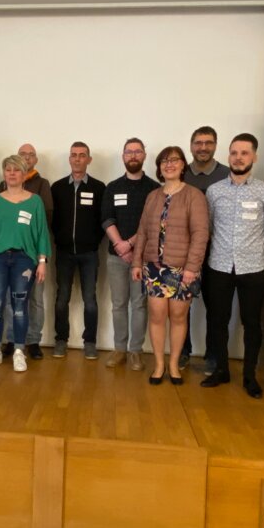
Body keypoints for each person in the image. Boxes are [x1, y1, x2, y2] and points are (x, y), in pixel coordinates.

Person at [201, 133, 264, 398]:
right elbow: (209, 227)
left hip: (253, 267)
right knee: (217, 320)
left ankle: (249, 376)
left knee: (252, 323)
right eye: (234, 153)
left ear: (254, 156)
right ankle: (221, 370)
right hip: (219, 265)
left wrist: (249, 249)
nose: (239, 158)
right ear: (228, 156)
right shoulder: (214, 191)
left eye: (244, 153)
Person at [131, 146, 209, 384]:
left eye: (174, 160)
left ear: (183, 164)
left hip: (182, 269)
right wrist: (136, 262)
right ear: (159, 167)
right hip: (154, 267)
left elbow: (200, 234)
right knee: (156, 315)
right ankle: (159, 365)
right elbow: (142, 232)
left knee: (178, 316)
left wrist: (192, 268)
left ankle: (174, 364)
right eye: (164, 161)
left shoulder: (194, 195)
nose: (169, 164)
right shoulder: (153, 196)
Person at [0, 155, 51, 372]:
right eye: (8, 169)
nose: (12, 173)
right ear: (4, 173)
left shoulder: (35, 201)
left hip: (24, 260)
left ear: (24, 174)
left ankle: (18, 351)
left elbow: (41, 234)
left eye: (16, 170)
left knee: (19, 307)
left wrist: (42, 261)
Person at [102, 138, 160, 371]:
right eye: (129, 152)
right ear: (123, 156)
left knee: (139, 304)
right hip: (116, 256)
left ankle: (136, 351)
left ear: (144, 155)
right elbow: (107, 218)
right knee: (118, 304)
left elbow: (153, 223)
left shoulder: (154, 188)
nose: (133, 155)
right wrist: (120, 245)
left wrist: (130, 245)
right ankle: (119, 349)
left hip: (143, 257)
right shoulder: (113, 187)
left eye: (137, 151)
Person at [180, 126, 230, 370]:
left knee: (216, 307)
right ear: (191, 146)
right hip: (183, 251)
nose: (203, 147)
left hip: (216, 252)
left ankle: (213, 354)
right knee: (181, 305)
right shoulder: (180, 173)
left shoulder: (227, 175)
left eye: (208, 143)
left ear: (215, 145)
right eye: (198, 143)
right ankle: (182, 351)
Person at [50, 142, 106, 359]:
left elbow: (103, 220)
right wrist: (60, 238)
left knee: (90, 300)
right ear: (69, 159)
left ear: (88, 160)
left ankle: (90, 342)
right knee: (61, 298)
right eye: (74, 155)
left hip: (89, 254)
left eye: (82, 155)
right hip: (64, 253)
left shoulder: (99, 188)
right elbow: (53, 220)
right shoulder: (57, 187)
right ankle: (61, 340)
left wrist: (92, 241)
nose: (77, 159)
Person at [0, 143, 53, 360]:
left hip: (34, 251)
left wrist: (40, 254)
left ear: (35, 159)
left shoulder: (42, 184)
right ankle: (13, 339)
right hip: (8, 253)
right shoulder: (4, 184)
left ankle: (33, 340)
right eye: (23, 154)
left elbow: (46, 218)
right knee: (11, 298)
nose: (27, 158)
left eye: (31, 155)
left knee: (35, 299)